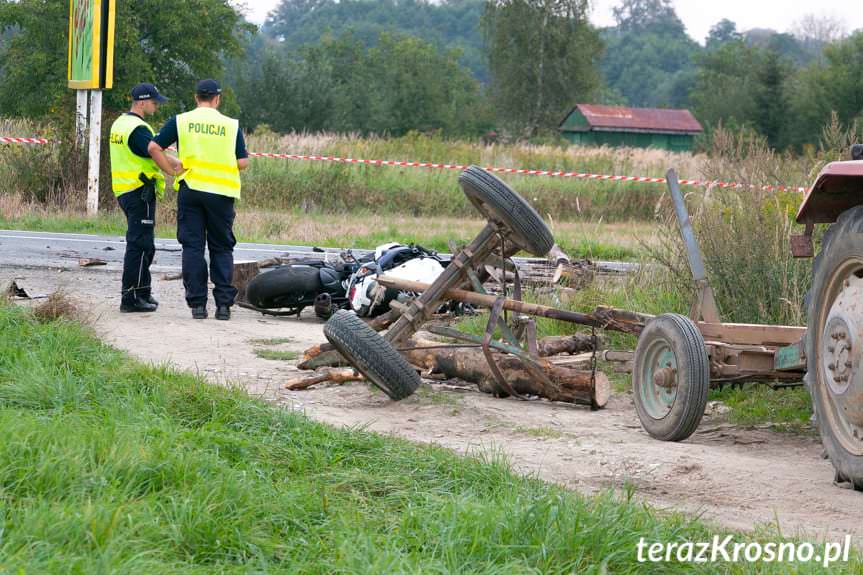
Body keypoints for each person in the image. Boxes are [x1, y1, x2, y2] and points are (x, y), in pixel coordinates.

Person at [148, 79, 249, 320]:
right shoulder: (230, 125)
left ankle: (197, 305)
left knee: (193, 247)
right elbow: (243, 162)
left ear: (196, 98)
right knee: (221, 247)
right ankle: (223, 306)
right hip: (222, 193)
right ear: (217, 99)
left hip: (191, 189)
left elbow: (154, 147)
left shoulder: (181, 121)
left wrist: (171, 170)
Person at [109, 82, 176, 313]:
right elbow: (153, 151)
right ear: (141, 102)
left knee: (142, 243)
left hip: (125, 190)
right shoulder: (137, 128)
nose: (156, 104)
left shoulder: (121, 123)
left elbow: (145, 152)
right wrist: (174, 170)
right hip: (140, 191)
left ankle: (142, 291)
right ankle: (131, 298)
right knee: (141, 245)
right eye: (154, 101)